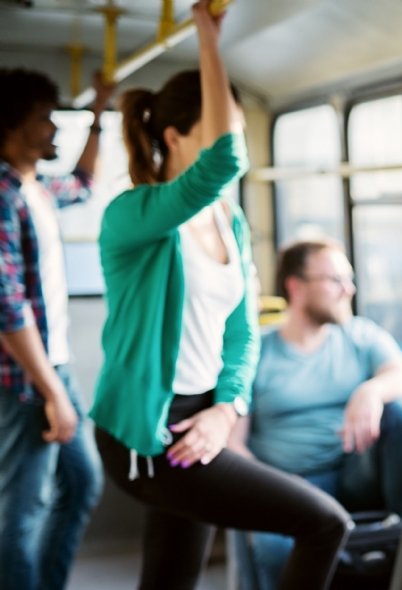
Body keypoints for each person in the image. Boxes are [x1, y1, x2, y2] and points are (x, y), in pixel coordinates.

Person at [89, 3, 351, 589]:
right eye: (223, 125)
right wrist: (208, 36)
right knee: (324, 525)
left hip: (203, 416)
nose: (236, 144)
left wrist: (226, 407)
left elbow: (240, 333)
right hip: (149, 433)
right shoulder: (133, 216)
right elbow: (227, 160)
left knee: (169, 578)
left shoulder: (229, 221)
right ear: (176, 137)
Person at [227, 238, 402, 589]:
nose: (348, 289)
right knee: (275, 549)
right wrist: (278, 485)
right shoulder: (257, 352)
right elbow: (233, 445)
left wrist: (371, 391)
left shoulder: (360, 335)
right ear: (296, 286)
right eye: (335, 280)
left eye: (348, 279)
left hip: (353, 471)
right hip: (288, 484)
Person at [0, 66, 113, 590]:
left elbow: (84, 184)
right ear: (11, 125)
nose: (53, 129)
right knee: (21, 513)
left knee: (82, 483)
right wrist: (51, 392)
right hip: (24, 379)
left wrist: (98, 114)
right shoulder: (1, 196)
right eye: (45, 118)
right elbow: (7, 308)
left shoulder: (35, 189)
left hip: (53, 366)